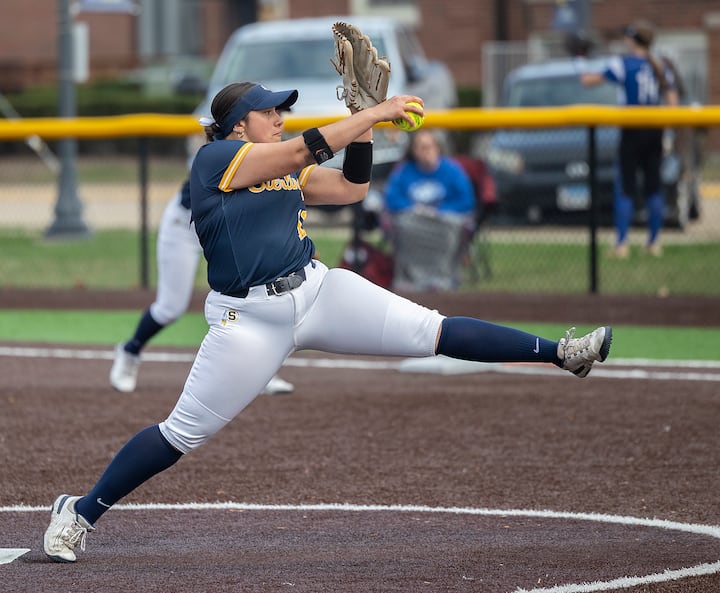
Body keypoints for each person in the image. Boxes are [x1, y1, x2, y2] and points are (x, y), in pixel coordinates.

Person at [43, 81, 613, 562]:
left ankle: (562, 354)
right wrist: (371, 113)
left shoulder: (277, 161)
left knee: (432, 331)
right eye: (268, 111)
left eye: (280, 110)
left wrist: (360, 127)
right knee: (181, 434)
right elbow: (296, 155)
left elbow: (350, 187)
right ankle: (80, 512)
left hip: (318, 290)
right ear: (238, 126)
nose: (279, 117)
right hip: (249, 319)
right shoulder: (214, 159)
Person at [109, 180, 294, 395]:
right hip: (187, 226)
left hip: (232, 228)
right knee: (170, 308)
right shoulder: (226, 150)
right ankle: (130, 351)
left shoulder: (275, 156)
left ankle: (260, 373)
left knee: (252, 297)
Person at [581, 21, 679, 258]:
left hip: (632, 129)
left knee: (625, 187)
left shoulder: (624, 63)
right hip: (655, 129)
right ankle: (654, 243)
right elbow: (673, 103)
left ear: (632, 40)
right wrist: (667, 132)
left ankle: (622, 244)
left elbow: (588, 80)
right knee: (653, 187)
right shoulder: (659, 64)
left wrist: (581, 61)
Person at [383, 129, 476, 291]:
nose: (425, 151)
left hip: (443, 221)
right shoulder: (404, 170)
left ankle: (443, 277)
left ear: (438, 148)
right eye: (420, 147)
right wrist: (415, 208)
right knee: (405, 223)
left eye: (429, 146)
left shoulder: (452, 170)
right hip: (414, 220)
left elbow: (466, 201)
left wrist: (439, 211)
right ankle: (411, 278)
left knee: (451, 225)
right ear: (413, 150)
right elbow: (392, 199)